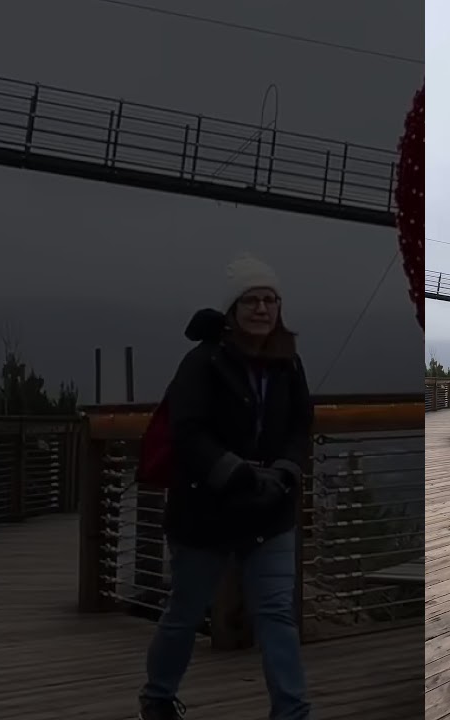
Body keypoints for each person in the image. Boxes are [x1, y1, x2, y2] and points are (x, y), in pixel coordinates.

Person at [138, 254, 313, 720]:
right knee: (186, 611)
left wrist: (285, 471)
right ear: (232, 310)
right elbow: (188, 431)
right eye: (251, 300)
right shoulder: (202, 361)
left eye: (270, 300)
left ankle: (292, 712)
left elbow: (300, 425)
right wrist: (237, 473)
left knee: (276, 615)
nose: (262, 309)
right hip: (206, 510)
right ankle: (157, 699)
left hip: (270, 509)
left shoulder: (288, 362)